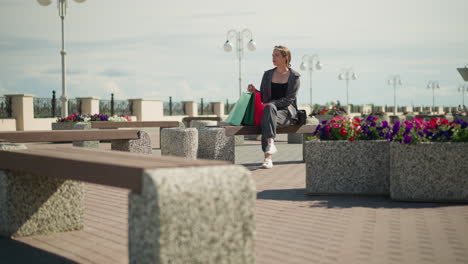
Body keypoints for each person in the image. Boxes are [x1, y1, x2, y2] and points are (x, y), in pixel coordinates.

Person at [247, 45, 301, 169]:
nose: (273, 58)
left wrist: (271, 104)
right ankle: (271, 144)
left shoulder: (295, 77)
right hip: (269, 111)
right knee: (268, 112)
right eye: (272, 55)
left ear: (285, 57)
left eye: (276, 55)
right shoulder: (267, 75)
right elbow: (264, 96)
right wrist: (255, 91)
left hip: (286, 113)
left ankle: (267, 158)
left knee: (268, 112)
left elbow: (289, 100)